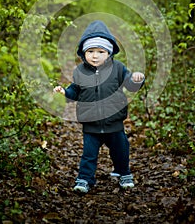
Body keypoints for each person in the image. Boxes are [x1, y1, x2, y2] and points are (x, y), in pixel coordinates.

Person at [53, 20, 145, 193]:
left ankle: (123, 172)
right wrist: (64, 93)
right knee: (88, 155)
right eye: (90, 51)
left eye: (100, 51)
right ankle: (85, 179)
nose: (95, 56)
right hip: (91, 123)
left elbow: (130, 85)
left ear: (109, 53)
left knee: (121, 150)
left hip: (114, 122)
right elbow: (75, 91)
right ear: (83, 53)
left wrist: (137, 79)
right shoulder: (80, 72)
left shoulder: (118, 68)